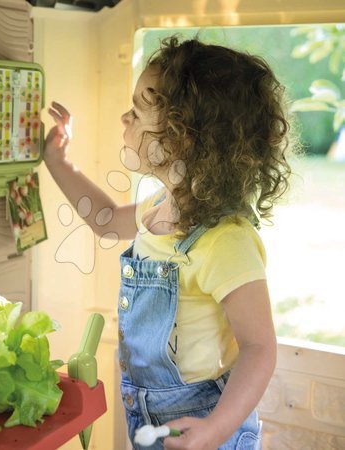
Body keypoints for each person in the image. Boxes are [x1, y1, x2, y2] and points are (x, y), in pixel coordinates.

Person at [43, 35, 293, 450]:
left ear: (182, 140)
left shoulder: (225, 242)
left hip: (208, 428)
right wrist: (58, 161)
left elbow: (259, 348)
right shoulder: (160, 206)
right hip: (150, 418)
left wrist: (216, 428)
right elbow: (105, 220)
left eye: (138, 113)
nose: (126, 118)